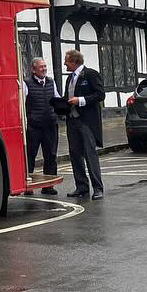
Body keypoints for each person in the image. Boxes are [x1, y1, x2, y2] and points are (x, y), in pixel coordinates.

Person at [63, 49, 105, 199]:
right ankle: (82, 187)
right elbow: (67, 97)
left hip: (87, 121)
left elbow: (100, 94)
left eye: (66, 61)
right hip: (72, 120)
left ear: (75, 61)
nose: (64, 64)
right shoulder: (69, 78)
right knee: (75, 154)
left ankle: (98, 188)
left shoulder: (90, 74)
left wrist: (80, 100)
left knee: (90, 154)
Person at [21, 57, 60, 195]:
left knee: (51, 155)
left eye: (45, 66)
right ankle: (29, 186)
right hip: (34, 126)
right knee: (30, 156)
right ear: (33, 69)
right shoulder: (27, 83)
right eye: (41, 67)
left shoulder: (51, 82)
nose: (44, 69)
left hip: (50, 125)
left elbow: (56, 98)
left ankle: (48, 186)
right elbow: (21, 104)